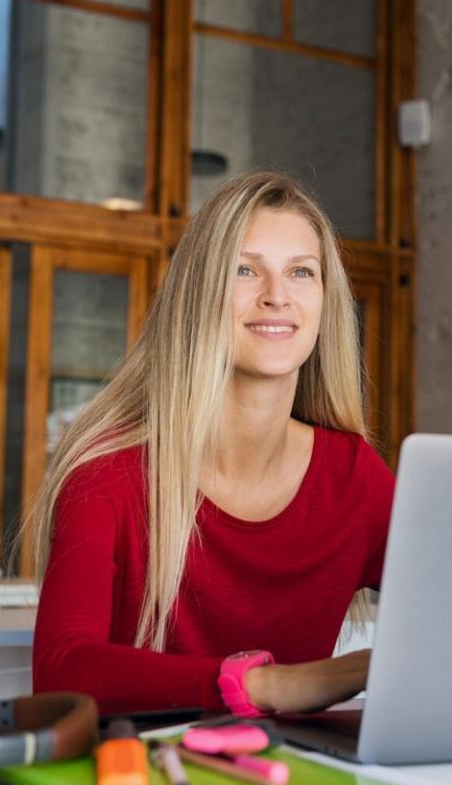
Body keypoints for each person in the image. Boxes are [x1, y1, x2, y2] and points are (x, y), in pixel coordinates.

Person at [27, 170, 392, 715]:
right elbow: (61, 668)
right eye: (245, 270)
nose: (276, 297)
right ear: (199, 294)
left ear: (324, 302)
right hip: (142, 777)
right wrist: (266, 686)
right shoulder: (110, 472)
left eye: (301, 272)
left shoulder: (351, 475)